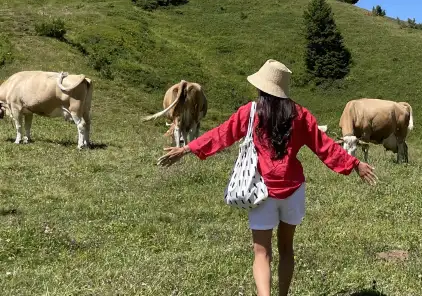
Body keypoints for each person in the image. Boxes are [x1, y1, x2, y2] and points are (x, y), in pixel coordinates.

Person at [157, 59, 377, 296]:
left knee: (262, 253)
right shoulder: (300, 114)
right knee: (286, 249)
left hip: (261, 191)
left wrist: (186, 149)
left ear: (261, 87)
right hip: (293, 191)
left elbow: (221, 135)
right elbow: (324, 147)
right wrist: (354, 163)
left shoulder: (250, 112)